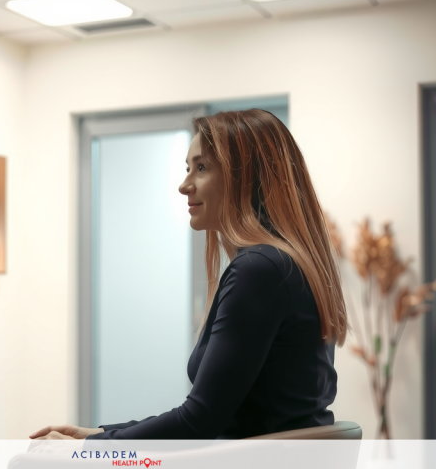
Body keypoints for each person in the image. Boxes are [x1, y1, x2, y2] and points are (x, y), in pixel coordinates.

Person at [30, 109, 348, 440]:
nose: (184, 185)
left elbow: (199, 422)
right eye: (188, 168)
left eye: (202, 168)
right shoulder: (285, 264)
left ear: (246, 175)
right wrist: (96, 433)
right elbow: (209, 417)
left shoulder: (259, 271)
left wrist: (93, 447)